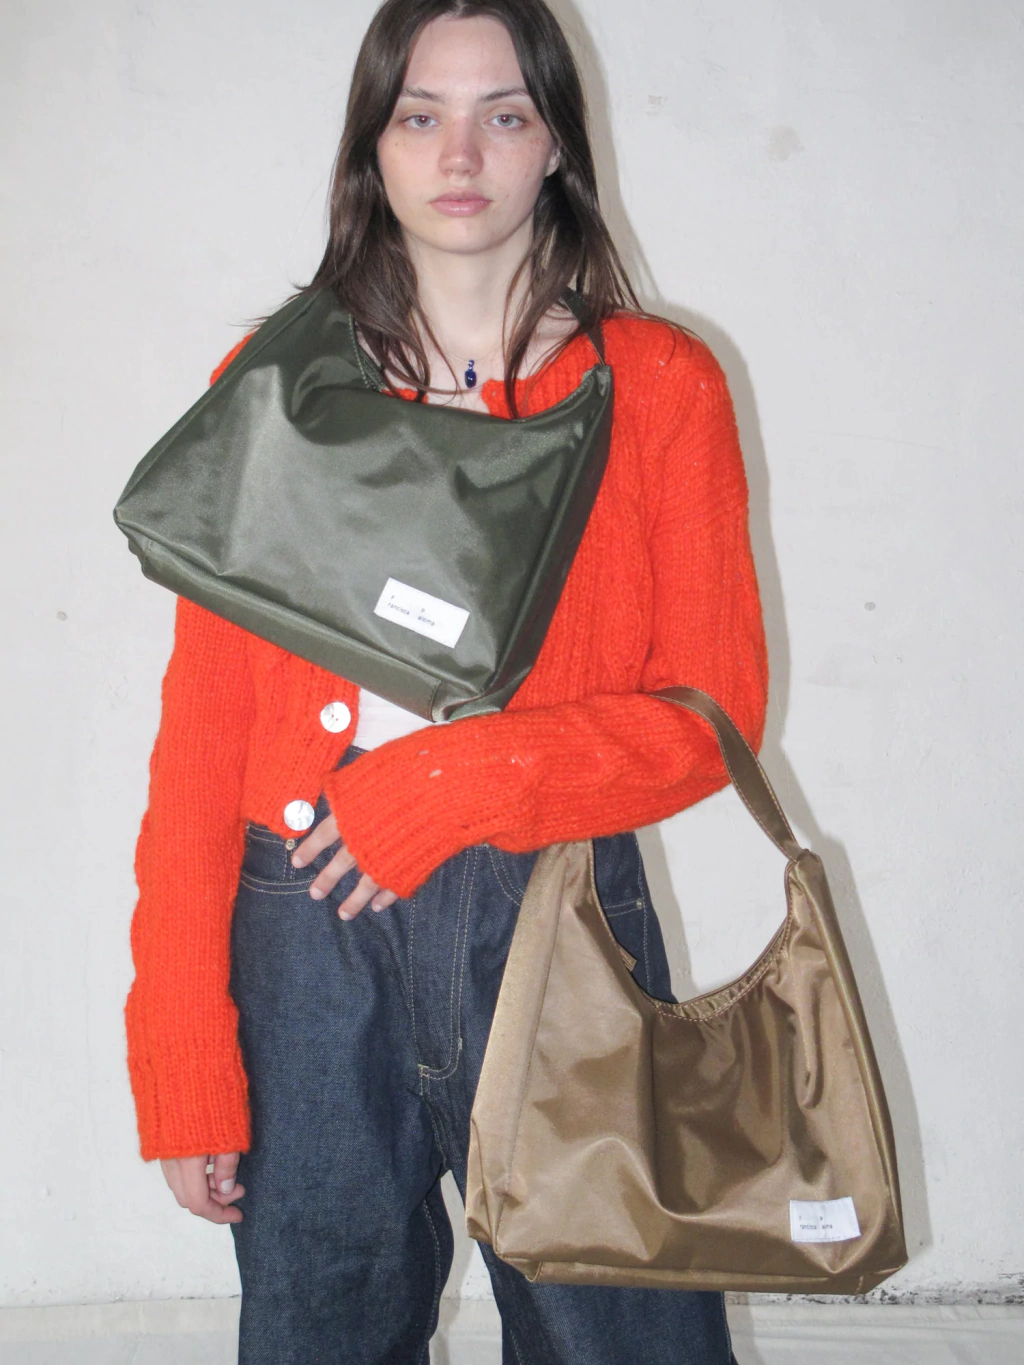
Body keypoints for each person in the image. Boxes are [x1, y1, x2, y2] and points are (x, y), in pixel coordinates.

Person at [126, 0, 767, 1360]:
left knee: (618, 1332)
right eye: (420, 114)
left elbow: (714, 716)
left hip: (559, 923)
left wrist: (461, 781)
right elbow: (200, 739)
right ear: (375, 145)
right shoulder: (278, 382)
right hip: (305, 938)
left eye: (503, 115)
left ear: (556, 146)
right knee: (318, 1332)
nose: (459, 153)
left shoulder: (659, 385)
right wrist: (184, 1051)